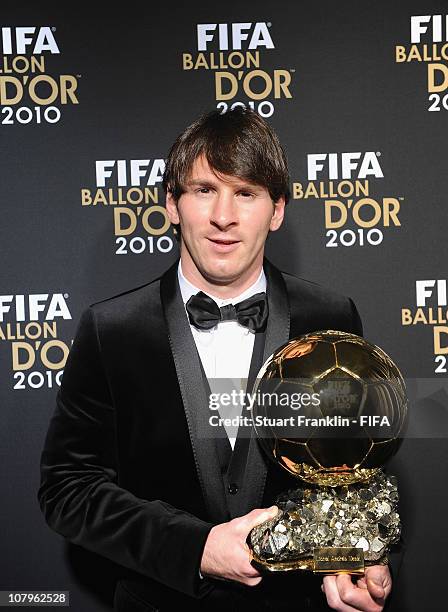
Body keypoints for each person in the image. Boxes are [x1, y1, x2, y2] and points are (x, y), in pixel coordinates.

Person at [38, 108, 398, 611]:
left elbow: (351, 469)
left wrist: (347, 557)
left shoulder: (331, 318)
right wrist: (197, 549)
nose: (223, 216)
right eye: (205, 190)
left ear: (276, 210)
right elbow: (68, 491)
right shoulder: (112, 329)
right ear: (172, 203)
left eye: (246, 193)